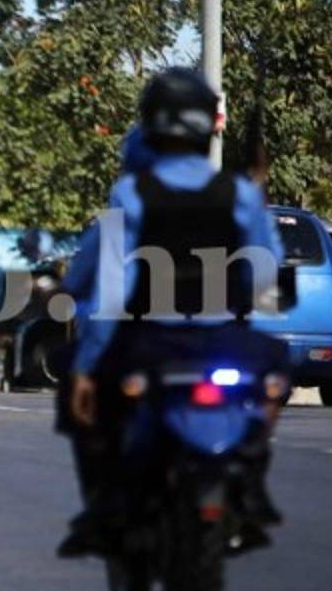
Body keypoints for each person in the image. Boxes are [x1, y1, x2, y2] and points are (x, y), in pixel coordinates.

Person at [55, 67, 287, 557]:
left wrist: (83, 369)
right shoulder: (242, 193)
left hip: (149, 341)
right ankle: (251, 477)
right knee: (273, 383)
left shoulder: (131, 193)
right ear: (208, 124)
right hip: (224, 338)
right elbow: (264, 278)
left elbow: (114, 291)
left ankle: (105, 511)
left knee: (91, 414)